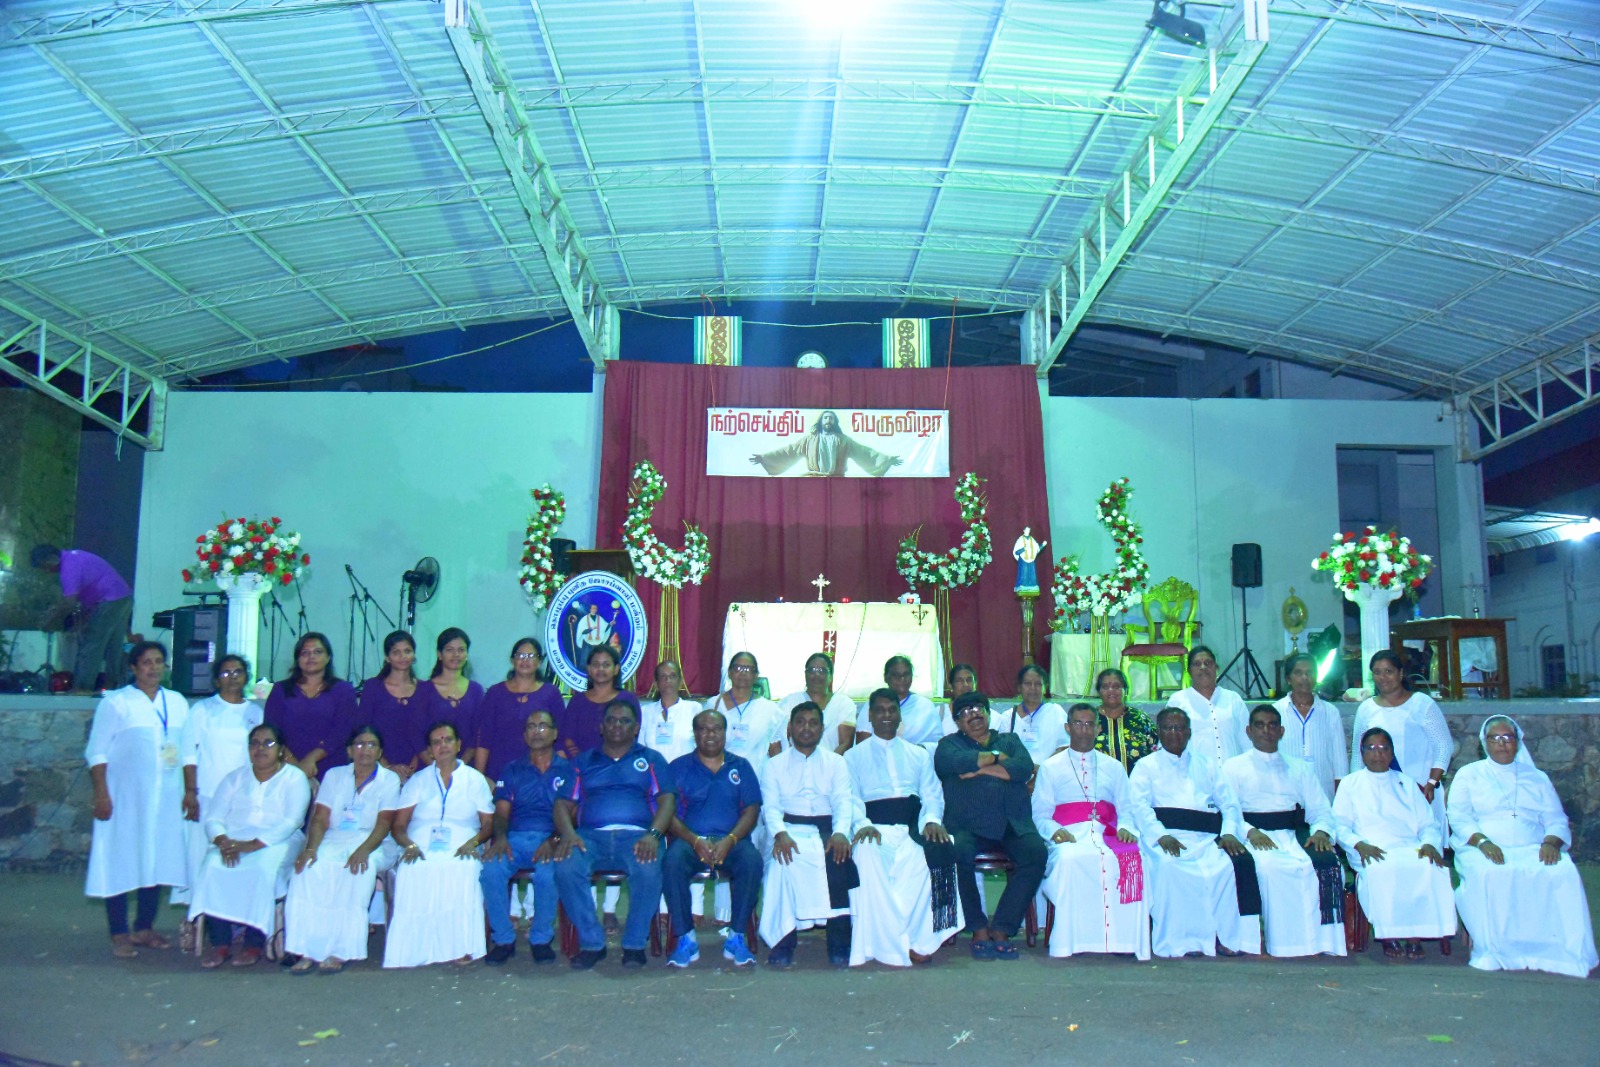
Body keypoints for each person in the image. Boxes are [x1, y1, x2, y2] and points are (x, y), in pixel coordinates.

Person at [1448, 716, 1597, 978]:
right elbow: (1459, 817)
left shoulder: (1536, 777)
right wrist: (1483, 842)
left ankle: (1562, 952)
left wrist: (1551, 842)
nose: (1502, 744)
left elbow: (1555, 818)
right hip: (1482, 847)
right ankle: (1496, 949)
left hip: (1532, 847)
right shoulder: (1469, 774)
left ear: (1518, 743)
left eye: (1508, 738)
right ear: (1484, 743)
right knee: (1490, 873)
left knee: (1562, 871)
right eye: (1495, 738)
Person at [553, 699, 677, 970]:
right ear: (601, 727)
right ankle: (592, 943)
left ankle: (633, 944)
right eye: (611, 720)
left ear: (636, 728)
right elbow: (562, 804)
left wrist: (653, 835)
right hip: (589, 837)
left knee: (648, 869)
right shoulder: (582, 762)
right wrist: (569, 834)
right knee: (566, 866)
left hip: (638, 837)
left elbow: (667, 801)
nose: (617, 725)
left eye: (624, 721)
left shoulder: (651, 759)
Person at [85, 640, 191, 958]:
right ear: (133, 668)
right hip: (124, 799)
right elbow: (97, 751)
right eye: (146, 662)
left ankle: (144, 927)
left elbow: (186, 751)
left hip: (166, 799)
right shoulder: (117, 703)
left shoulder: (177, 702)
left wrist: (190, 790)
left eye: (159, 661)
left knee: (156, 860)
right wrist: (102, 794)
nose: (153, 667)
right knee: (120, 859)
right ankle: (119, 931)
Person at [845, 689, 962, 966]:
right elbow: (849, 798)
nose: (886, 716)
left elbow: (932, 794)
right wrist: (862, 824)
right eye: (880, 710)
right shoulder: (853, 756)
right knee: (866, 853)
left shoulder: (918, 755)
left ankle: (921, 940)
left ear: (899, 716)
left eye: (892, 710)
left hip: (912, 826)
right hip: (874, 827)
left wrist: (931, 821)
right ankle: (880, 943)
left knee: (938, 849)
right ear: (870, 716)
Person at [1130, 707, 1259, 958]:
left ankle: (1222, 938)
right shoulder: (1145, 766)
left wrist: (1230, 833)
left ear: (1189, 732)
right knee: (1170, 868)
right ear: (1159, 732)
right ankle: (1181, 942)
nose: (1174, 733)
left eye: (1180, 728)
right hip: (1164, 838)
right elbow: (1138, 805)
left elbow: (1229, 803)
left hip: (1205, 838)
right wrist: (1160, 835)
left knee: (1224, 867)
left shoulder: (1207, 764)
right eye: (1168, 728)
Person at [1221, 706, 1346, 958]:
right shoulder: (1233, 768)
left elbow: (1321, 809)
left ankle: (1318, 942)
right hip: (1256, 837)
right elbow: (1228, 811)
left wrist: (1321, 831)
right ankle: (1281, 943)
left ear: (1281, 731)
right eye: (1259, 725)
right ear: (1248, 731)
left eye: (1272, 725)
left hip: (1294, 835)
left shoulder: (1300, 768)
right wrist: (1250, 831)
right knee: (1269, 869)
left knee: (1325, 866)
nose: (1266, 731)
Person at [1031, 704, 1151, 960]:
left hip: (1108, 834)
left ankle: (1124, 940)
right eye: (1078, 723)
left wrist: (1126, 828)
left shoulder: (1114, 767)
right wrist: (1054, 831)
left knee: (1134, 858)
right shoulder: (1051, 767)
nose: (1084, 730)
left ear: (1098, 729)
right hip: (1070, 834)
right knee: (1069, 859)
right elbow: (1040, 814)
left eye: (1089, 725)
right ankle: (1072, 941)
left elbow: (1127, 808)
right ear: (1067, 727)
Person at [188, 723, 311, 968]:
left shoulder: (294, 778)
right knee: (213, 865)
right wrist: (222, 841)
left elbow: (293, 820)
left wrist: (254, 844)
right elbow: (213, 818)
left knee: (263, 869)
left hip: (279, 841)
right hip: (233, 840)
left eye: (268, 743)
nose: (260, 748)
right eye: (254, 743)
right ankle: (221, 943)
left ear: (281, 750)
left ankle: (254, 943)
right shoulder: (235, 778)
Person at [933, 692, 1046, 960]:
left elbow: (1023, 768)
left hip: (1012, 822)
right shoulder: (949, 744)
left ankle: (1003, 928)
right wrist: (1000, 760)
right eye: (966, 711)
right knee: (956, 852)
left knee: (1036, 853)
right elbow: (953, 764)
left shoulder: (1010, 739)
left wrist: (981, 765)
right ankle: (978, 927)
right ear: (958, 722)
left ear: (987, 712)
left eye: (978, 708)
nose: (974, 714)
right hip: (966, 825)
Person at [284, 724, 402, 973]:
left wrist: (364, 850)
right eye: (359, 744)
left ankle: (341, 950)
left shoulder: (388, 779)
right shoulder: (335, 775)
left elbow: (384, 823)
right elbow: (320, 818)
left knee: (358, 870)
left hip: (375, 842)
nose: (365, 750)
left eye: (371, 745)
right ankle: (307, 949)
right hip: (334, 838)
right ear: (349, 750)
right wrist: (310, 849)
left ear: (380, 752)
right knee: (307, 870)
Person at [1333, 727, 1455, 961]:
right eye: (1372, 748)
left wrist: (1429, 843)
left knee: (1430, 868)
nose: (1378, 754)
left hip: (1410, 846)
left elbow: (1428, 824)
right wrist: (1359, 844)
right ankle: (1390, 935)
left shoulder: (1406, 782)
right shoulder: (1350, 784)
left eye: (1384, 748)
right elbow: (1340, 826)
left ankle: (1415, 936)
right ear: (1362, 753)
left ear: (1392, 753)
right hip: (1371, 848)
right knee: (1384, 870)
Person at [383, 721, 495, 967]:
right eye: (436, 741)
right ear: (430, 750)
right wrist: (409, 846)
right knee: (412, 869)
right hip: (420, 842)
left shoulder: (475, 779)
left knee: (464, 869)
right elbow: (398, 825)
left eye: (448, 740)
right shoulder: (418, 780)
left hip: (463, 842)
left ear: (458, 745)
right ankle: (413, 948)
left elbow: (488, 825)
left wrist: (473, 842)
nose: (442, 745)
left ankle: (461, 946)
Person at [757, 702, 858, 968]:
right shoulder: (774, 765)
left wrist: (840, 833)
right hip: (788, 829)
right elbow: (771, 806)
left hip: (827, 829)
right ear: (790, 727)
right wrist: (779, 834)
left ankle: (838, 944)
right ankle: (783, 943)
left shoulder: (836, 762)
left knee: (838, 861)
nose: (806, 728)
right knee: (783, 863)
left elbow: (842, 802)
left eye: (813, 723)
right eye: (800, 722)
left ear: (822, 729)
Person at [664, 709, 763, 968]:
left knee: (752, 861)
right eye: (704, 729)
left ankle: (737, 936)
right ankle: (686, 938)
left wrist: (730, 840)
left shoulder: (741, 766)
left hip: (732, 842)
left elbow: (751, 811)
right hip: (689, 842)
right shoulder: (679, 767)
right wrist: (694, 840)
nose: (710, 734)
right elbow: (668, 813)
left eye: (716, 728)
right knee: (672, 861)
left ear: (725, 732)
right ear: (695, 734)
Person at [479, 710, 573, 967]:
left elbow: (573, 816)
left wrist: (553, 841)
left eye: (543, 726)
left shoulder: (569, 770)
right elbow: (501, 813)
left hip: (552, 837)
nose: (537, 731)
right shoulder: (511, 770)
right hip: (516, 838)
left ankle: (540, 939)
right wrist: (500, 838)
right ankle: (504, 939)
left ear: (554, 733)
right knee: (491, 870)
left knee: (547, 873)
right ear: (524, 735)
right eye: (531, 726)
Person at [177, 655, 263, 921]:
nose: (233, 677)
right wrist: (191, 792)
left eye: (238, 672)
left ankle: (230, 920)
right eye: (226, 673)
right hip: (207, 794)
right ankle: (195, 919)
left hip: (242, 798)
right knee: (199, 856)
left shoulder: (256, 713)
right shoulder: (202, 710)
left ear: (246, 677)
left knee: (235, 858)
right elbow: (188, 754)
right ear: (216, 679)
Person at [1352, 650, 1452, 836]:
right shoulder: (1366, 708)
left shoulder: (1421, 703)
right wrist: (1357, 788)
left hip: (1421, 788)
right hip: (1381, 789)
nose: (1383, 677)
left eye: (1388, 671)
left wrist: (1431, 782)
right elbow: (1359, 754)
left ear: (1400, 673)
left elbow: (1444, 746)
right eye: (1377, 672)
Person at [32, 543, 132, 694]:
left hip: (110, 600)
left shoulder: (68, 568)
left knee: (92, 644)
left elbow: (69, 602)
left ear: (52, 559)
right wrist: (85, 619)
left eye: (44, 567)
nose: (46, 571)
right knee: (113, 646)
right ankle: (113, 687)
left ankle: (82, 688)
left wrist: (50, 621)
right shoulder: (74, 558)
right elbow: (87, 594)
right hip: (124, 596)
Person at [264, 632, 359, 780]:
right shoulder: (280, 690)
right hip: (287, 767)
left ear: (328, 657)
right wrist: (296, 766)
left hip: (332, 767)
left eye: (318, 652)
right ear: (297, 659)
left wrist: (311, 759)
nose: (311, 657)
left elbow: (342, 730)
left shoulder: (343, 690)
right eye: (305, 653)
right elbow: (271, 730)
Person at [474, 638, 565, 779]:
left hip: (539, 772)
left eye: (531, 656)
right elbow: (484, 738)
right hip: (498, 771)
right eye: (520, 656)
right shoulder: (495, 693)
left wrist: (563, 776)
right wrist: (479, 779)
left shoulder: (551, 693)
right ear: (512, 661)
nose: (525, 660)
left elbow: (559, 738)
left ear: (540, 662)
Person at [1273, 652, 1348, 801]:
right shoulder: (1276, 712)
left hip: (1323, 796)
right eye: (1298, 673)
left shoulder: (1330, 712)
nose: (1305, 678)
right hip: (1286, 797)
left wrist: (1341, 800)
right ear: (1288, 679)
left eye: (1310, 673)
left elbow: (1340, 763)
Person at [748, 408, 903, 477]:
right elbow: (790, 451)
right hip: (813, 481)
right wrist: (765, 458)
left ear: (835, 421)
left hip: (838, 481)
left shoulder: (843, 440)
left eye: (831, 418)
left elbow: (865, 452)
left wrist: (887, 459)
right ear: (821, 421)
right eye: (826, 418)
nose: (828, 420)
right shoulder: (810, 439)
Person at [359, 631, 430, 777]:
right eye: (396, 652)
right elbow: (363, 730)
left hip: (419, 769)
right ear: (387, 657)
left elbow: (429, 732)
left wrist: (413, 765)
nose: (403, 657)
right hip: (378, 766)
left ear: (414, 655)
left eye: (407, 651)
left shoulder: (426, 689)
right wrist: (387, 766)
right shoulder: (373, 687)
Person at [1167, 646, 1249, 767]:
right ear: (1189, 671)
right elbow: (1169, 744)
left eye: (1208, 663)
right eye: (1197, 664)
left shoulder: (1233, 699)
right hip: (1194, 777)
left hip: (1232, 777)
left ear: (1216, 668)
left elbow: (1247, 740)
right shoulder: (1178, 701)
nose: (1203, 667)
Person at [559, 644, 642, 763]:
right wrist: (584, 763)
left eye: (606, 665)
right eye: (596, 665)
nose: (601, 669)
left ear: (616, 669)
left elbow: (632, 735)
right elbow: (567, 739)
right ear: (589, 669)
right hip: (582, 770)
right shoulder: (577, 701)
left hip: (620, 766)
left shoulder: (628, 700)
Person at [705, 651, 785, 767]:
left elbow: (775, 750)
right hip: (719, 776)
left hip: (755, 776)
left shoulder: (770, 709)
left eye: (748, 669)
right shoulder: (713, 704)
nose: (743, 673)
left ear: (756, 675)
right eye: (738, 668)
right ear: (729, 672)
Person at [856, 655, 947, 751]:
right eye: (896, 675)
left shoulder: (925, 706)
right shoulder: (873, 704)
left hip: (915, 760)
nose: (902, 679)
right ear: (886, 677)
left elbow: (938, 744)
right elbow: (863, 741)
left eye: (906, 674)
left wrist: (917, 750)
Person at [778, 652, 857, 754]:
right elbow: (781, 739)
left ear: (831, 676)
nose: (816, 674)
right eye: (812, 670)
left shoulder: (844, 703)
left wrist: (828, 766)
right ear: (805, 674)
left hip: (831, 766)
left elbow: (846, 743)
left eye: (822, 670)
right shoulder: (789, 702)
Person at [429, 628, 485, 767]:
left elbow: (477, 732)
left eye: (461, 650)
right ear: (439, 654)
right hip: (431, 766)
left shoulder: (476, 690)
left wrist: (460, 765)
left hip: (466, 766)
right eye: (449, 650)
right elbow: (418, 732)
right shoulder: (425, 689)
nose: (456, 655)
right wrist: (436, 766)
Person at [995, 665, 1068, 766]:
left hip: (1050, 774)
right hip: (1018, 775)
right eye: (1028, 684)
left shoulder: (1055, 711)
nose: (1033, 688)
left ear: (1045, 688)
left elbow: (1065, 748)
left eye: (1038, 684)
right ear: (1019, 687)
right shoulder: (1008, 716)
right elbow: (1003, 752)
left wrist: (1043, 769)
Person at [1092, 668, 1158, 771]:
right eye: (1105, 687)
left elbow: (1156, 752)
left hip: (1137, 783)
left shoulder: (1140, 719)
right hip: (1098, 784)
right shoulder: (1090, 720)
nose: (1111, 691)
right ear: (1099, 692)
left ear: (1126, 690)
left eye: (1116, 686)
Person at [641, 659, 699, 763]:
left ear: (681, 682)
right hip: (654, 774)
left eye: (672, 676)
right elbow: (641, 748)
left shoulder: (694, 709)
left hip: (685, 774)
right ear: (656, 683)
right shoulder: (645, 711)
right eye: (663, 676)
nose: (668, 680)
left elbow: (700, 747)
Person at [575, 603, 614, 668]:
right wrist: (590, 629)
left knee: (599, 663)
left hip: (598, 645)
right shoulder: (584, 619)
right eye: (593, 608)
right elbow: (582, 632)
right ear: (590, 609)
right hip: (588, 644)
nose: (594, 609)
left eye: (595, 608)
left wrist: (610, 624)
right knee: (585, 664)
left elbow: (605, 628)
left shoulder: (599, 618)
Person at [1012, 527, 1046, 593]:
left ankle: (1032, 585)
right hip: (1023, 559)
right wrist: (1024, 549)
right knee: (1024, 572)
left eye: (1029, 530)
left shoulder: (1032, 539)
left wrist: (1043, 545)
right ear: (1024, 530)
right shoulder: (1020, 540)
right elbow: (1016, 551)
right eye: (1027, 530)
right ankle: (1022, 585)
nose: (1028, 531)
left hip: (1031, 559)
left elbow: (1037, 549)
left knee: (1032, 573)